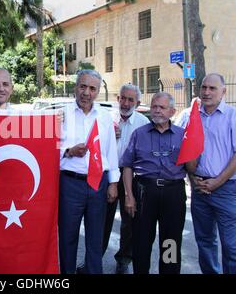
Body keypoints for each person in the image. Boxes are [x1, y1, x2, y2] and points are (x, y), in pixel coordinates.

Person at [59, 69, 119, 274]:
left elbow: (111, 151)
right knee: (68, 237)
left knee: (96, 237)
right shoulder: (61, 114)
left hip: (98, 183)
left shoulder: (104, 116)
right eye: (82, 86)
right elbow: (49, 149)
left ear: (98, 91)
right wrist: (68, 151)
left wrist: (113, 183)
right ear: (75, 87)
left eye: (92, 88)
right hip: (70, 184)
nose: (86, 92)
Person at [122, 92, 188, 274]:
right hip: (144, 192)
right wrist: (129, 196)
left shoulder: (182, 136)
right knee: (141, 241)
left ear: (172, 111)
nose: (157, 111)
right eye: (154, 106)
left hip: (173, 193)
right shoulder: (139, 134)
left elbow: (192, 166)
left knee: (171, 242)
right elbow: (127, 166)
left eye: (162, 107)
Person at [188, 73, 236, 274]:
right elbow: (187, 151)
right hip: (200, 189)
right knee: (205, 242)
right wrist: (192, 178)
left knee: (230, 245)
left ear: (223, 91)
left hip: (226, 190)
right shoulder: (192, 116)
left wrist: (218, 182)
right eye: (204, 87)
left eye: (212, 88)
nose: (206, 92)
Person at [102, 84, 149, 274]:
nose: (126, 103)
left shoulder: (144, 123)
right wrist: (107, 136)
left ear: (137, 103)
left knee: (130, 220)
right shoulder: (105, 119)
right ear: (117, 98)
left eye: (130, 100)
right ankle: (95, 257)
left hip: (132, 175)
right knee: (103, 218)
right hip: (108, 174)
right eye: (123, 98)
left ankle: (124, 259)